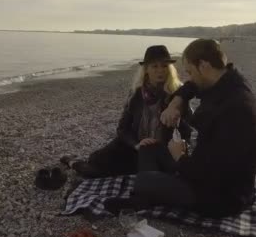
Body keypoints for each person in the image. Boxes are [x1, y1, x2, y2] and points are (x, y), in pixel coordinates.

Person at [105, 39, 256, 218]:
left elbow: (210, 175)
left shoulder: (235, 110)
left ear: (203, 66)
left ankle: (142, 198)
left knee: (144, 180)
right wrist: (176, 102)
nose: (188, 78)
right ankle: (145, 197)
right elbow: (191, 86)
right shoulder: (228, 81)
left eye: (189, 71)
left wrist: (180, 157)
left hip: (219, 196)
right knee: (149, 148)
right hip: (202, 170)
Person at [61, 45, 192, 178]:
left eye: (164, 66)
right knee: (95, 161)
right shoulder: (136, 94)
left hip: (162, 152)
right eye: (155, 66)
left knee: (149, 179)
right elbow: (122, 128)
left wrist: (177, 125)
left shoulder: (177, 95)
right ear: (146, 69)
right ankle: (72, 161)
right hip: (134, 147)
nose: (160, 71)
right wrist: (136, 144)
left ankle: (74, 162)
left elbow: (187, 131)